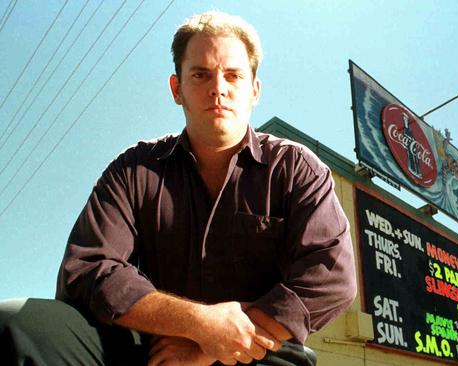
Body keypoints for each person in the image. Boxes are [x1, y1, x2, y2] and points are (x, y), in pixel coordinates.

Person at [0, 10, 356, 366]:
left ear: (254, 91)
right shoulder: (134, 170)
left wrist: (210, 345)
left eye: (233, 75)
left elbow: (332, 274)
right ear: (177, 88)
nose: (218, 88)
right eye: (201, 74)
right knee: (19, 323)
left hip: (261, 351)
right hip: (156, 349)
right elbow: (87, 268)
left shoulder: (296, 168)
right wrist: (198, 324)